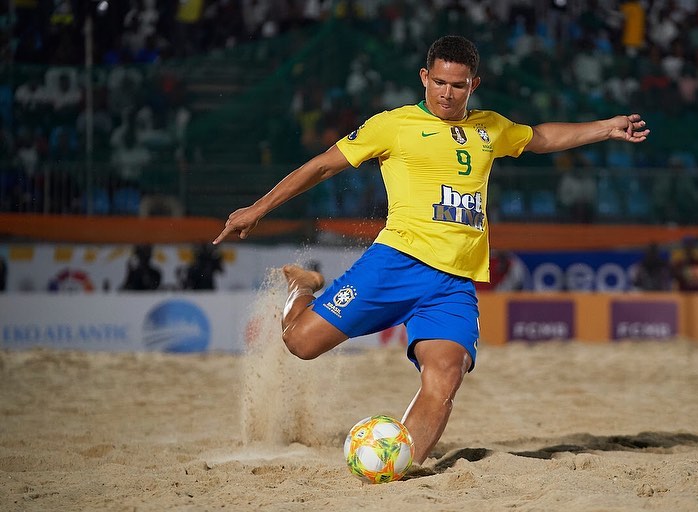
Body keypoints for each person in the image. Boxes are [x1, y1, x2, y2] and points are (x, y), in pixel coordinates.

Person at [213, 35, 649, 469]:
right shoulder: (393, 125)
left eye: (457, 85)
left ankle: (397, 468)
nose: (446, 92)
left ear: (473, 84)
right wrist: (258, 208)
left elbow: (540, 137)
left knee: (445, 377)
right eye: (439, 82)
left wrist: (605, 128)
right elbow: (324, 164)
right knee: (300, 344)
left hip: (453, 284)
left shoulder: (489, 127)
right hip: (395, 265)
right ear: (424, 77)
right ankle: (304, 284)